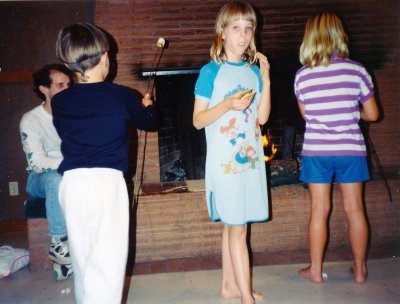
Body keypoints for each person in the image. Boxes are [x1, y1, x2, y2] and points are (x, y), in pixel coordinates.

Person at [52, 23, 157, 304]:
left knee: (83, 257)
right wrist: (147, 106)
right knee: (108, 264)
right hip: (105, 184)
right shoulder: (123, 96)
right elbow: (150, 123)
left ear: (67, 63)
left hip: (72, 185)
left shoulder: (59, 101)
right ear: (105, 57)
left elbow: (67, 131)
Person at [193, 2, 271, 303]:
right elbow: (198, 121)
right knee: (238, 230)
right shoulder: (210, 71)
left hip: (250, 164)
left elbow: (262, 119)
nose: (242, 35)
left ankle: (229, 287)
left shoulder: (253, 72)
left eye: (248, 28)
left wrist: (265, 78)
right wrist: (226, 105)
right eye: (235, 27)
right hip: (224, 166)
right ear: (222, 32)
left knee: (235, 227)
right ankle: (246, 298)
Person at [294, 12, 379, 284]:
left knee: (319, 209)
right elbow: (373, 114)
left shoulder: (302, 76)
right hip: (350, 149)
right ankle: (360, 270)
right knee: (355, 209)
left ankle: (316, 271)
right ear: (339, 35)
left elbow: (307, 116)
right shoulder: (358, 71)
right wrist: (354, 115)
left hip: (317, 150)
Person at [20, 64, 74, 280]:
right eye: (60, 85)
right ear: (44, 89)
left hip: (70, 171)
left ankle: (71, 261)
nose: (66, 89)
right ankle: (58, 243)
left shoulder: (74, 115)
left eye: (69, 85)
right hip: (39, 178)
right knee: (54, 179)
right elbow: (37, 162)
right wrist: (73, 161)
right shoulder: (31, 120)